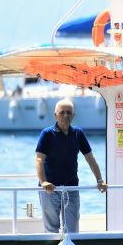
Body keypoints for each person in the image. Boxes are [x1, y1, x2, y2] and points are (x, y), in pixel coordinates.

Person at [35, 99, 106, 233]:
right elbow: (39, 160)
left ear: (73, 116)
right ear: (55, 115)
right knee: (51, 230)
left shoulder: (78, 133)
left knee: (72, 231)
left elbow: (90, 159)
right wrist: (43, 182)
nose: (65, 115)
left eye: (69, 113)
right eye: (62, 113)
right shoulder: (47, 134)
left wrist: (100, 180)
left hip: (71, 188)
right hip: (50, 189)